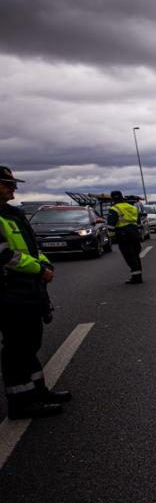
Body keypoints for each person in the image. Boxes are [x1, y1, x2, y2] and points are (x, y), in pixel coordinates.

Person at [0, 166, 69, 418]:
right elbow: (5, 255)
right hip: (9, 292)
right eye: (6, 184)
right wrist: (38, 270)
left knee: (29, 342)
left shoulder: (12, 215)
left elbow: (30, 248)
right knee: (17, 347)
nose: (13, 188)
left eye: (12, 183)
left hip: (26, 290)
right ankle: (20, 402)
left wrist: (43, 263)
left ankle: (37, 391)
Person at [106, 190, 144, 284]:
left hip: (123, 234)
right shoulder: (132, 207)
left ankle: (136, 277)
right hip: (134, 232)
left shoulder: (114, 209)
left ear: (112, 198)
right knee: (135, 254)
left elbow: (111, 226)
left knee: (129, 255)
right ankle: (138, 276)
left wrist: (112, 237)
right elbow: (138, 222)